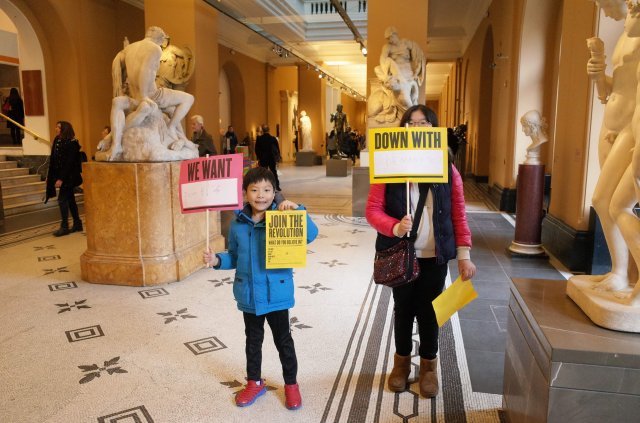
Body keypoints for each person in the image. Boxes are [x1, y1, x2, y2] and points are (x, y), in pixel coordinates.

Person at [365, 104, 476, 398]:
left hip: (434, 255)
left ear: (434, 128)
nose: (417, 129)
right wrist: (394, 227)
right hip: (401, 252)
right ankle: (401, 365)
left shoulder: (448, 169)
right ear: (403, 130)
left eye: (423, 123)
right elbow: (372, 210)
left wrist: (464, 254)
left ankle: (428, 367)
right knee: (403, 310)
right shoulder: (388, 167)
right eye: (411, 124)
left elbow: (459, 214)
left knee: (430, 312)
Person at [203, 167, 318, 409]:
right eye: (254, 190)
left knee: (283, 340)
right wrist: (217, 261)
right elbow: (234, 256)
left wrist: (298, 210)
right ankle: (254, 382)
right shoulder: (237, 224)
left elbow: (311, 234)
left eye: (267, 190)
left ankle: (291, 385)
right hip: (249, 295)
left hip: (277, 294)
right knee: (252, 341)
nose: (261, 195)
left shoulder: (284, 216)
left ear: (274, 192)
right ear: (245, 193)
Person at [570, 0, 640, 292]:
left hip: (629, 127)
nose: (605, 11)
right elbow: (610, 91)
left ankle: (628, 278)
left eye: (606, 4)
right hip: (611, 123)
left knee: (613, 203)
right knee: (604, 202)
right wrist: (599, 74)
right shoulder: (627, 34)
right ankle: (620, 272)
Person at [100, 26, 194, 161]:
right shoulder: (154, 48)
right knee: (189, 98)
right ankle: (172, 127)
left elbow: (118, 69)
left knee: (117, 102)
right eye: (163, 40)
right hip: (152, 95)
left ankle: (116, 144)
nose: (163, 44)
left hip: (134, 96)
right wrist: (145, 96)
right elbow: (147, 71)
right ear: (160, 38)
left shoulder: (129, 49)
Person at [374, 27, 425, 114]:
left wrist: (417, 71)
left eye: (390, 37)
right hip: (394, 74)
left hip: (406, 73)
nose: (390, 40)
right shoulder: (387, 47)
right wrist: (387, 76)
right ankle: (389, 81)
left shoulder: (405, 43)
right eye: (388, 39)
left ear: (395, 34)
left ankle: (411, 110)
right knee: (378, 68)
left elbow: (417, 54)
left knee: (407, 98)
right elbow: (383, 59)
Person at [45, 121, 83, 237]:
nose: (56, 128)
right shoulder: (57, 140)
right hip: (61, 176)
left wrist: (61, 179)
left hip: (69, 177)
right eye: (56, 126)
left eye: (58, 127)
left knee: (62, 199)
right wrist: (49, 176)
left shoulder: (72, 143)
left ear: (64, 129)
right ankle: (77, 223)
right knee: (70, 199)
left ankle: (65, 226)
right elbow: (53, 160)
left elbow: (69, 163)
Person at [255, 124, 281, 191]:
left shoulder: (259, 139)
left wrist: (259, 157)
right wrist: (278, 157)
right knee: (274, 172)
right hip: (271, 158)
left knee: (263, 173)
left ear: (262, 131)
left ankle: (263, 187)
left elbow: (256, 150)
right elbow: (277, 149)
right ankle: (277, 186)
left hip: (263, 158)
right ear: (269, 130)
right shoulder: (272, 138)